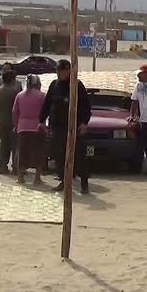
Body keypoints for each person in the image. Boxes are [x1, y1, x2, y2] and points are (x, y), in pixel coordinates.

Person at [40, 59, 91, 193]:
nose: (59, 73)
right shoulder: (54, 85)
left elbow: (86, 106)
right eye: (58, 71)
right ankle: (63, 181)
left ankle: (84, 183)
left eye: (62, 71)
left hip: (74, 127)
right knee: (59, 155)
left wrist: (84, 123)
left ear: (68, 71)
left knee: (79, 156)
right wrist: (41, 120)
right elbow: (47, 104)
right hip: (57, 127)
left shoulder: (77, 85)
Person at [13, 74, 47, 185]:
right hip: (37, 128)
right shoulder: (42, 96)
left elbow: (14, 112)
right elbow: (46, 112)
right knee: (38, 153)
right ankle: (37, 178)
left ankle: (20, 177)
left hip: (22, 127)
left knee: (22, 153)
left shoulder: (20, 95)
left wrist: (16, 125)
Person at [0, 62, 21, 169]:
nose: (6, 71)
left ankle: (10, 164)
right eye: (4, 69)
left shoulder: (17, 84)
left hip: (10, 117)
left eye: (8, 69)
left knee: (10, 142)